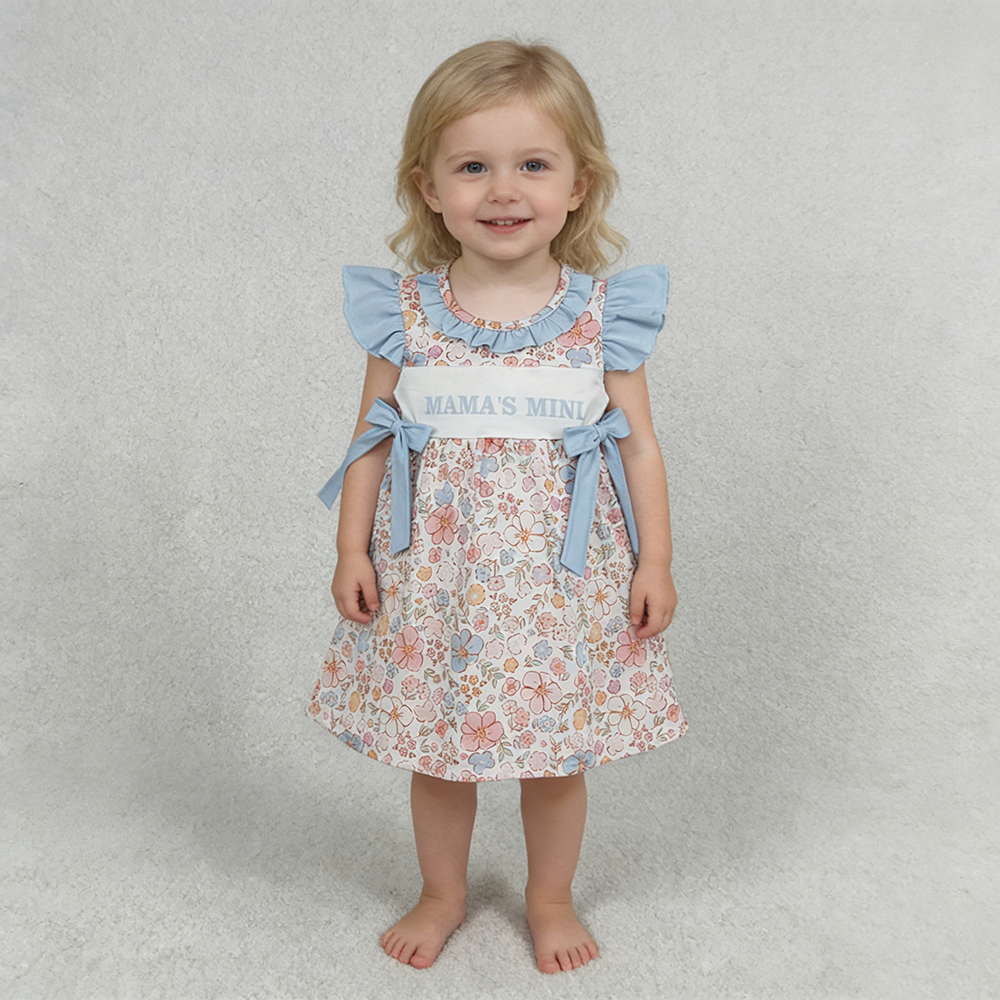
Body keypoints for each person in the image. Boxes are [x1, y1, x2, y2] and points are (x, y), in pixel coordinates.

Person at [307, 38, 688, 974]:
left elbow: (638, 445)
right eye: (473, 167)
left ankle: (549, 896)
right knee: (440, 750)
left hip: (559, 584)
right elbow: (371, 439)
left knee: (556, 757)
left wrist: (656, 560)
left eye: (533, 166)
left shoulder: (603, 317)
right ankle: (441, 891)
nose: (503, 190)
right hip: (439, 577)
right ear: (429, 187)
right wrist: (351, 549)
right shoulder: (405, 314)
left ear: (579, 184)